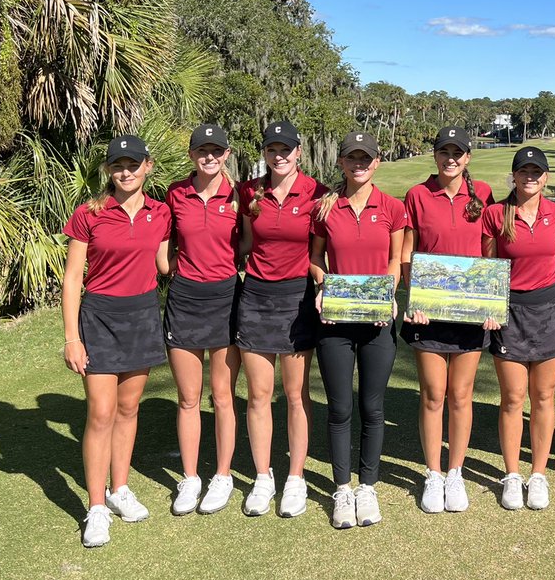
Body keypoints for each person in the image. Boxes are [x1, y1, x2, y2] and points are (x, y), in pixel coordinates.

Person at [62, 134, 171, 548]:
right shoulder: (89, 213)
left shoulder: (160, 214)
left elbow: (164, 265)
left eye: (133, 163)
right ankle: (96, 508)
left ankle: (119, 489)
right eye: (118, 165)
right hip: (100, 316)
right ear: (109, 170)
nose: (126, 171)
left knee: (128, 409)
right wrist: (72, 337)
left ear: (148, 165)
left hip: (143, 314)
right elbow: (73, 278)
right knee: (101, 413)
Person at [310, 131, 407, 528]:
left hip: (377, 319)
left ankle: (367, 487)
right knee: (340, 408)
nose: (359, 164)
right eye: (351, 157)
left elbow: (396, 259)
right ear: (341, 163)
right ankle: (342, 489)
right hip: (335, 319)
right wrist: (321, 287)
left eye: (365, 158)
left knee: (372, 407)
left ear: (376, 162)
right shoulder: (324, 207)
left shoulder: (393, 208)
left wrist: (388, 294)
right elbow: (316, 258)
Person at [235, 121, 326, 518]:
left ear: (299, 152)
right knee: (258, 394)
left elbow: (320, 252)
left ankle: (295, 478)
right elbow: (245, 244)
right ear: (266, 153)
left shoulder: (318, 194)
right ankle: (262, 476)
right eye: (273, 149)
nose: (280, 155)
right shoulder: (249, 192)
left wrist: (327, 282)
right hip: (255, 297)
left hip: (298, 299)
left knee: (295, 394)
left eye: (286, 149)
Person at [401, 126, 495, 514]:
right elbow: (408, 255)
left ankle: (455, 472)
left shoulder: (484, 194)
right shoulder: (417, 195)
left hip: (470, 313)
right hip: (429, 313)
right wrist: (414, 298)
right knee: (433, 395)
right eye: (444, 152)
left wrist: (491, 302)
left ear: (467, 158)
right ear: (435, 155)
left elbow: (489, 254)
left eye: (458, 153)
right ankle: (433, 474)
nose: (451, 159)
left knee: (460, 395)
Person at [481, 146, 555, 511]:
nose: (530, 177)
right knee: (513, 398)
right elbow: (486, 266)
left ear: (545, 177)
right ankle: (513, 475)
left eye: (537, 172)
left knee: (544, 398)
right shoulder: (495, 215)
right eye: (524, 172)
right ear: (513, 176)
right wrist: (489, 308)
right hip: (510, 311)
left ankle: (539, 475)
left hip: (549, 310)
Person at [164, 125, 242, 516]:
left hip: (226, 297)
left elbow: (245, 246)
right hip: (185, 299)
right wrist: (179, 269)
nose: (209, 157)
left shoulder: (241, 196)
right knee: (188, 398)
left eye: (216, 151)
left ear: (227, 154)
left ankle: (223, 476)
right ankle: (190, 477)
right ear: (192, 155)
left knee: (223, 395)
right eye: (202, 151)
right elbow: (166, 252)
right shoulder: (176, 193)